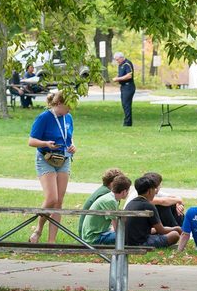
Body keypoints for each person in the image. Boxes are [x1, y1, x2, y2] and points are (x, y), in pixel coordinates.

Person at [27, 91, 76, 243]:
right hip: (46, 158)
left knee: (59, 201)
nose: (70, 109)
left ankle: (51, 242)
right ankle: (38, 229)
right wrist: (45, 144)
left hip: (64, 159)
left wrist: (73, 146)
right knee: (51, 198)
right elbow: (31, 141)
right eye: (68, 106)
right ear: (59, 104)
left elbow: (69, 136)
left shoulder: (68, 117)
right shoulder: (44, 117)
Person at [123, 174, 181, 248]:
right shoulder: (149, 205)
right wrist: (176, 228)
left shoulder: (131, 203)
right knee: (174, 234)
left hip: (128, 241)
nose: (155, 192)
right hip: (141, 242)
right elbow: (161, 230)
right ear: (149, 191)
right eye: (154, 190)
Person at [81, 174, 132, 245]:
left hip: (98, 233)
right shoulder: (111, 201)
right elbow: (117, 227)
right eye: (128, 191)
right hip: (93, 238)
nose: (128, 193)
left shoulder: (111, 198)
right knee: (127, 236)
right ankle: (118, 255)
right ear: (124, 192)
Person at [78, 167, 124, 235]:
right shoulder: (106, 195)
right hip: (89, 233)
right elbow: (113, 219)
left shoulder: (105, 190)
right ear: (112, 183)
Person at [112, 51, 135, 127]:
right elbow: (121, 75)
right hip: (123, 87)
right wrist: (117, 78)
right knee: (124, 104)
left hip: (128, 86)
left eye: (117, 59)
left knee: (127, 104)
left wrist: (118, 78)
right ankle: (127, 121)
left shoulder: (127, 64)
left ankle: (127, 123)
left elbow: (129, 76)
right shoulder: (120, 65)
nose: (117, 61)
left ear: (121, 58)